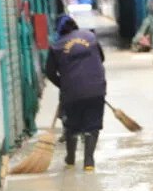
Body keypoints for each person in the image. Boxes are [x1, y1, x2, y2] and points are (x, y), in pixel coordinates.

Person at [45, 15, 107, 171]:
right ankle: (89, 161)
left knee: (72, 125)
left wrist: (63, 85)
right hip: (96, 89)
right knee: (92, 125)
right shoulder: (90, 37)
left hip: (72, 92)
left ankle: (71, 159)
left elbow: (50, 72)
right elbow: (101, 58)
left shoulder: (56, 46)